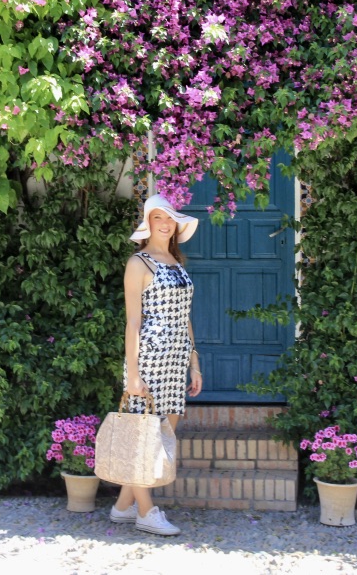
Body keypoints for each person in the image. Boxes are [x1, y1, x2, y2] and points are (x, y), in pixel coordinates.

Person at [109, 194, 203, 536]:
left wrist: (195, 362)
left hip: (177, 358)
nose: (165, 223)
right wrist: (133, 374)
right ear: (147, 224)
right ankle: (146, 512)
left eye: (169, 218)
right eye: (157, 217)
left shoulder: (176, 261)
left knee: (162, 435)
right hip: (149, 356)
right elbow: (133, 322)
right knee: (143, 436)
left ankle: (123, 505)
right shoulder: (139, 263)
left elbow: (186, 316)